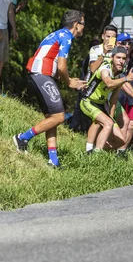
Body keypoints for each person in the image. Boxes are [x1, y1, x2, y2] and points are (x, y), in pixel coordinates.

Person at [12, 10, 87, 167]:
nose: (83, 28)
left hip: (38, 75)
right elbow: (61, 65)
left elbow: (52, 62)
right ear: (76, 24)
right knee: (59, 117)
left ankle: (53, 160)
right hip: (41, 76)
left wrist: (66, 78)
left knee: (52, 119)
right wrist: (69, 83)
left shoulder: (58, 34)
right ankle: (22, 138)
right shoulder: (66, 36)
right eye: (83, 24)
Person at [81, 46, 133, 153]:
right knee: (107, 124)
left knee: (121, 141)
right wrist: (126, 78)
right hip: (88, 101)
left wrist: (111, 117)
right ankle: (94, 155)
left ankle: (95, 148)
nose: (121, 61)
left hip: (102, 104)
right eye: (118, 58)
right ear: (112, 57)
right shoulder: (105, 68)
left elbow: (113, 98)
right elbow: (108, 82)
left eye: (123, 58)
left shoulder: (119, 73)